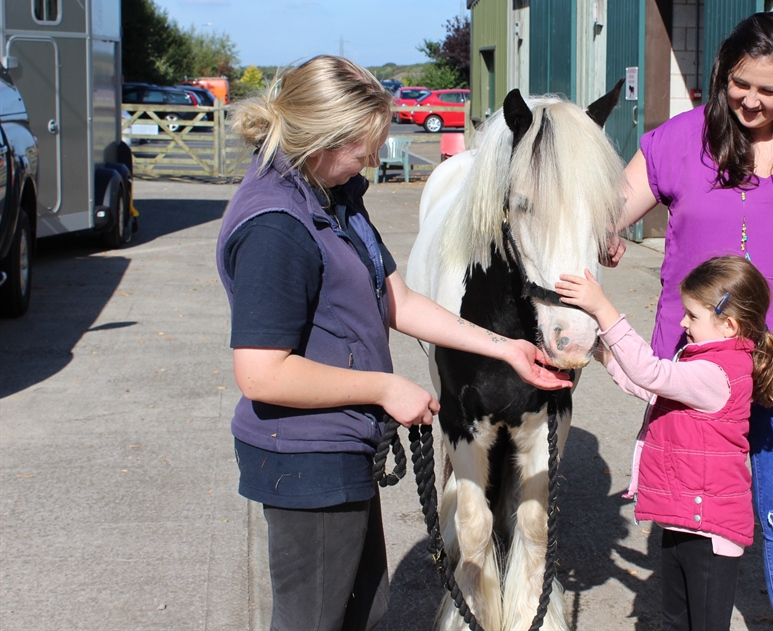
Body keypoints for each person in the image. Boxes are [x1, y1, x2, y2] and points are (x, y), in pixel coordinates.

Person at [215, 55, 570, 631]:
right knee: (316, 618)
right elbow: (260, 372)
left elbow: (396, 300)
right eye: (364, 147)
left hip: (342, 444)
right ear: (323, 139)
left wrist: (504, 348)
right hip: (305, 455)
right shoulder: (275, 225)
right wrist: (384, 386)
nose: (375, 159)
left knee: (363, 610)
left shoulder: (332, 199)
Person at [605, 13, 773, 630]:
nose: (749, 100)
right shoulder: (680, 139)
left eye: (768, 90)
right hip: (695, 367)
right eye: (738, 83)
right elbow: (609, 206)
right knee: (690, 519)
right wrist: (604, 231)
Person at [557, 255, 773, 631]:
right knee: (674, 622)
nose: (683, 323)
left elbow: (651, 372)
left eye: (693, 316)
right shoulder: (704, 362)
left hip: (711, 534)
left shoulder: (718, 373)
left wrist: (603, 309)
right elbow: (648, 387)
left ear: (729, 325)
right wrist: (598, 351)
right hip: (685, 521)